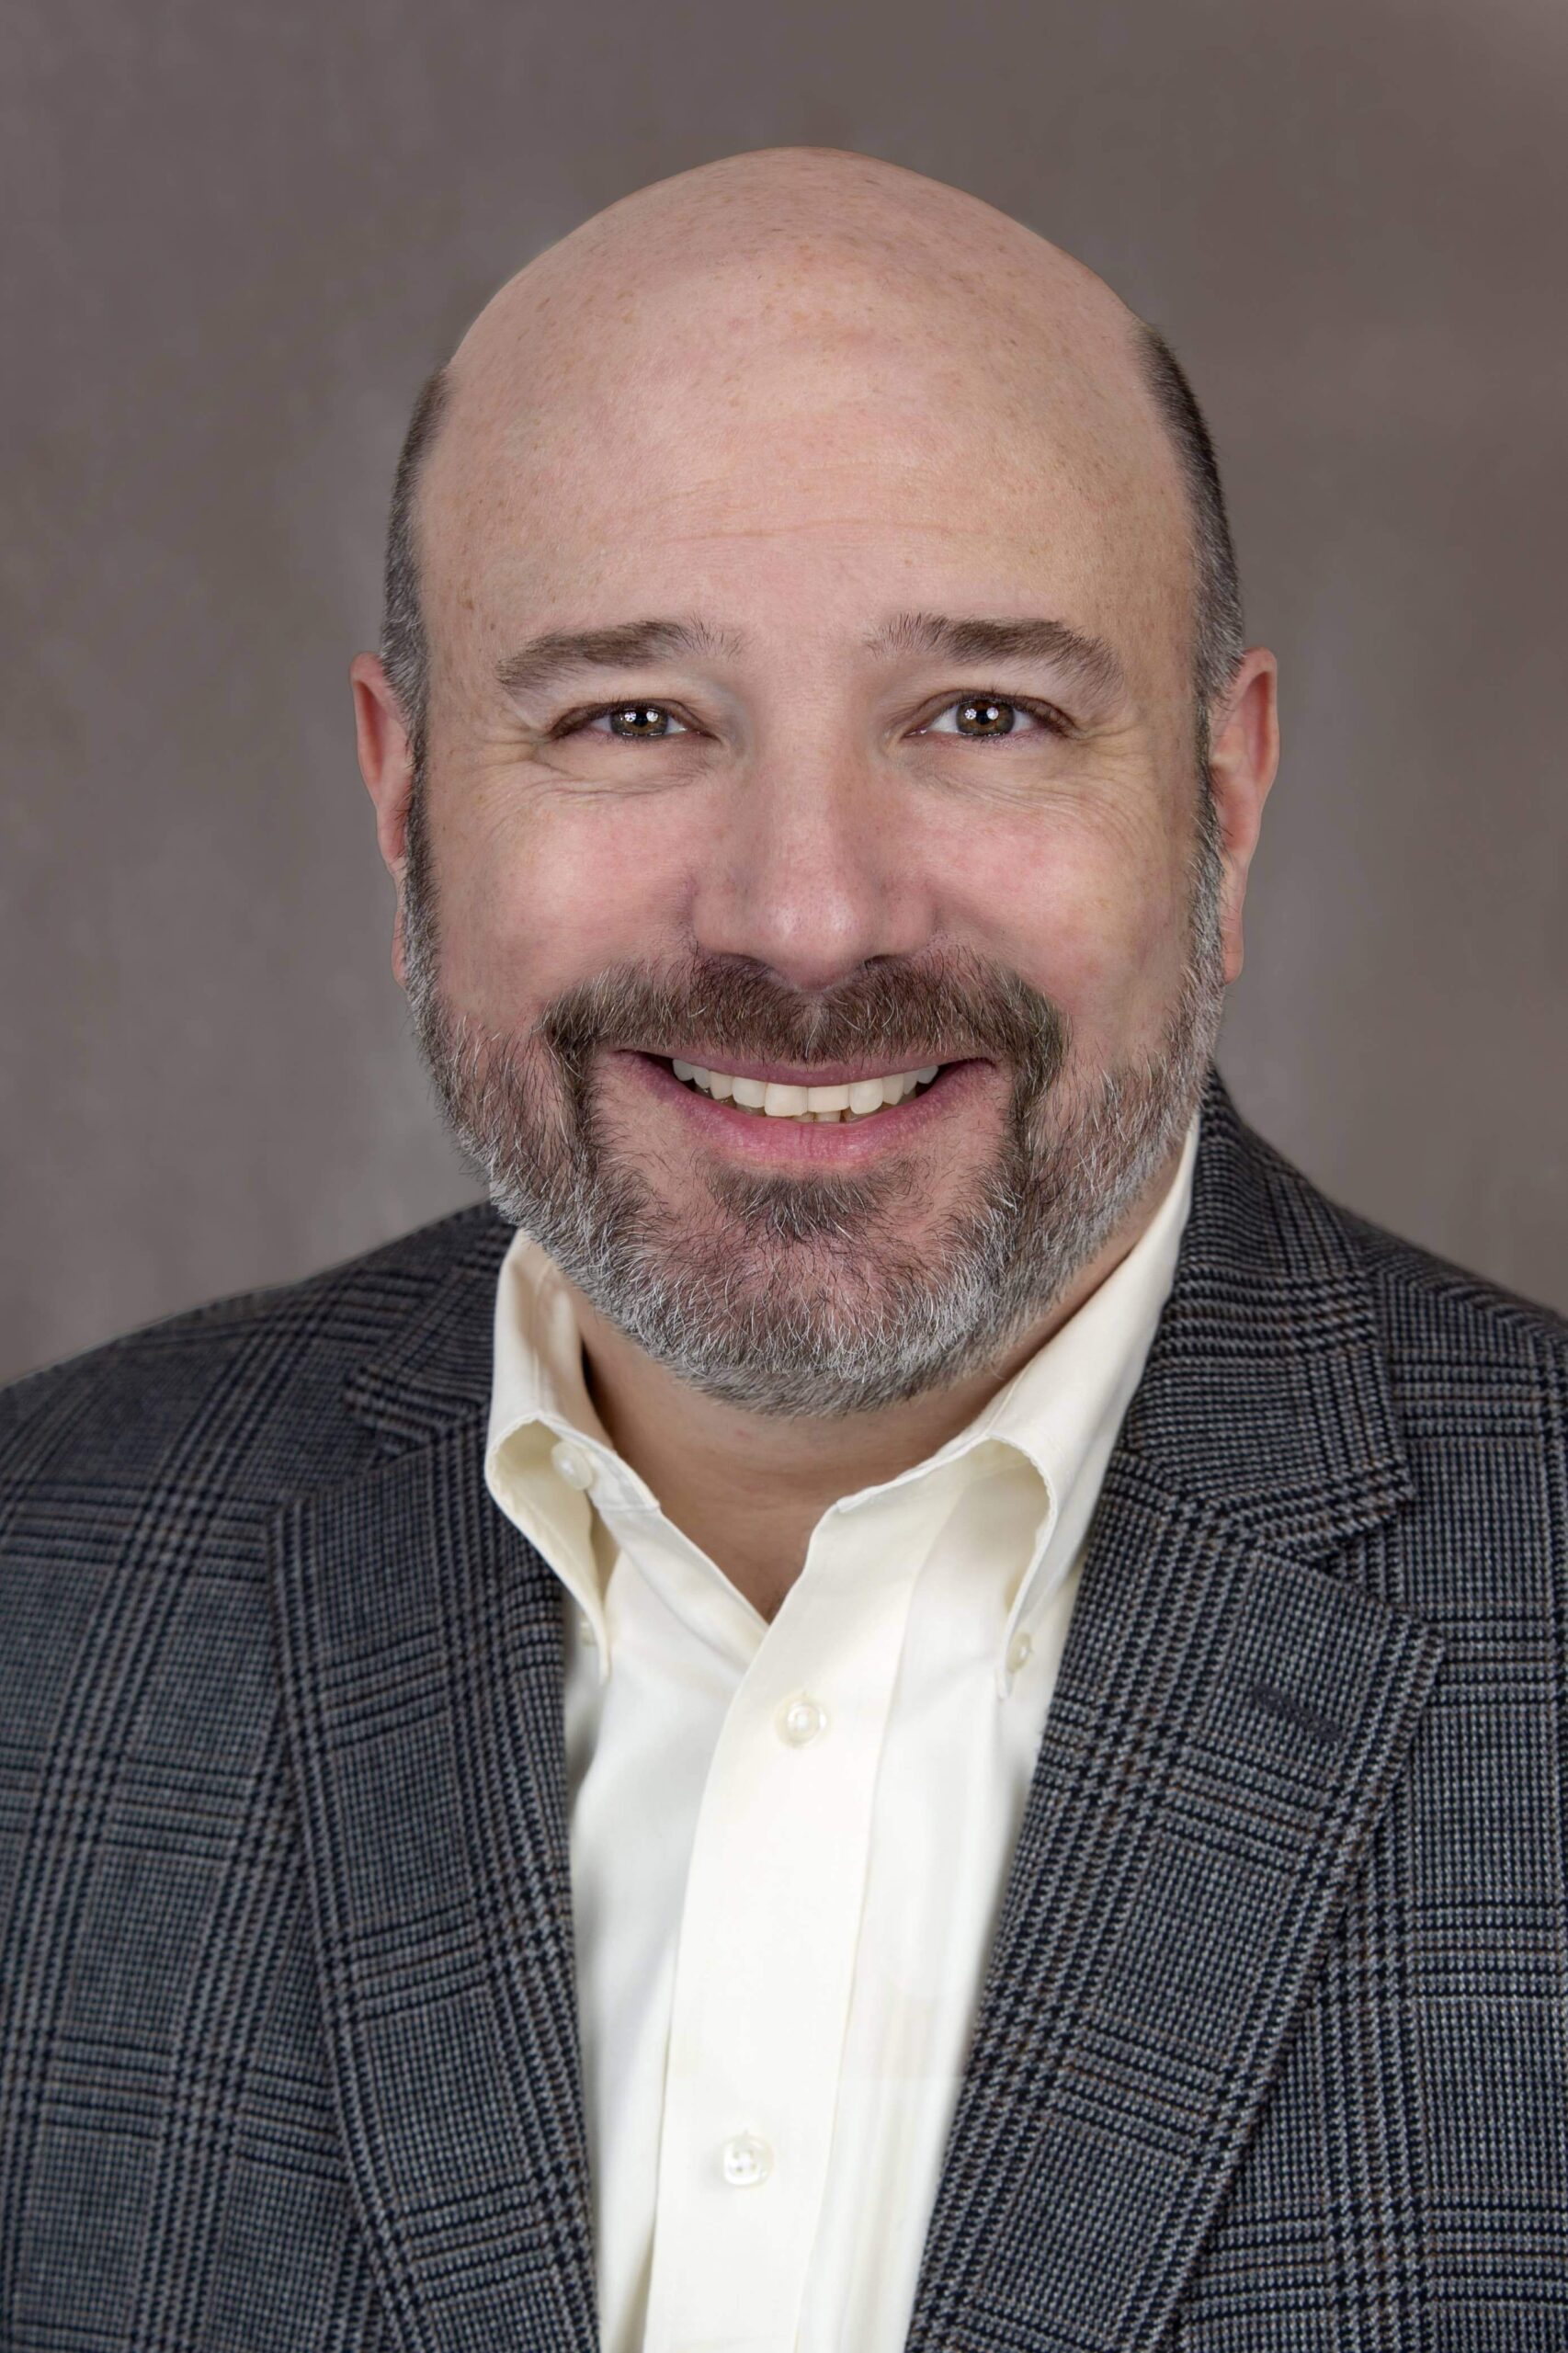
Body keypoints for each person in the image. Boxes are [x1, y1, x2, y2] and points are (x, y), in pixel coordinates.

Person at [1, 145, 1563, 2353]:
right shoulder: (37, 1597)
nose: (807, 914)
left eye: (985, 714)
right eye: (632, 716)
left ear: (1222, 801)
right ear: (403, 797)